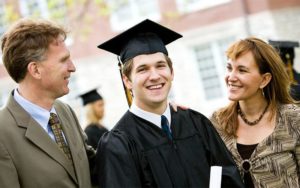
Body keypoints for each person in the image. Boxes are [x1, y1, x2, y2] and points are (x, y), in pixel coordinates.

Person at [94, 19, 244, 187]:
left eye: (160, 66)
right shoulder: (118, 144)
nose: (155, 76)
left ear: (171, 72)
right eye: (143, 69)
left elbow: (229, 178)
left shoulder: (196, 123)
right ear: (127, 80)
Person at [0, 18, 94, 188]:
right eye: (63, 60)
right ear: (35, 70)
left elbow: (90, 167)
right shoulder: (2, 133)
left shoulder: (64, 111)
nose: (72, 67)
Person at [210, 37, 300, 188]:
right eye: (229, 68)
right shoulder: (217, 123)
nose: (231, 77)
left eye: (242, 70)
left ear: (264, 80)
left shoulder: (293, 118)